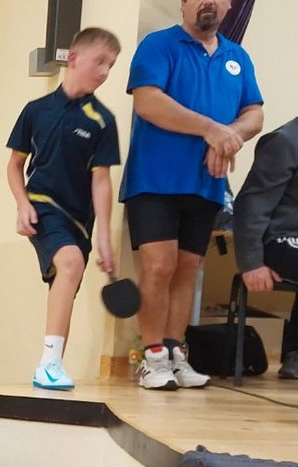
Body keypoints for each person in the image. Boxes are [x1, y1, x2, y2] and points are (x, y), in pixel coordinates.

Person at [121, 0, 263, 391]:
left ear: (229, 5)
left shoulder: (237, 57)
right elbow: (148, 102)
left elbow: (254, 114)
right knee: (159, 266)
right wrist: (211, 130)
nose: (208, 2)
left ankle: (174, 353)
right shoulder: (158, 45)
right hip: (155, 179)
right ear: (183, 3)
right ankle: (152, 357)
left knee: (187, 269)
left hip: (206, 183)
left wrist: (229, 136)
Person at [7, 27, 122, 391]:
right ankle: (49, 365)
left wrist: (104, 237)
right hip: (43, 206)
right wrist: (22, 204)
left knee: (66, 280)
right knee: (70, 263)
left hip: (80, 222)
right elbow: (15, 165)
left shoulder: (102, 120)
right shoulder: (36, 111)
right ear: (73, 58)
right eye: (99, 61)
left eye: (111, 65)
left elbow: (101, 181)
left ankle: (51, 365)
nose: (105, 71)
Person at [234, 116, 298, 379]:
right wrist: (251, 262)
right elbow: (252, 204)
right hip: (280, 238)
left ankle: (294, 352)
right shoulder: (285, 141)